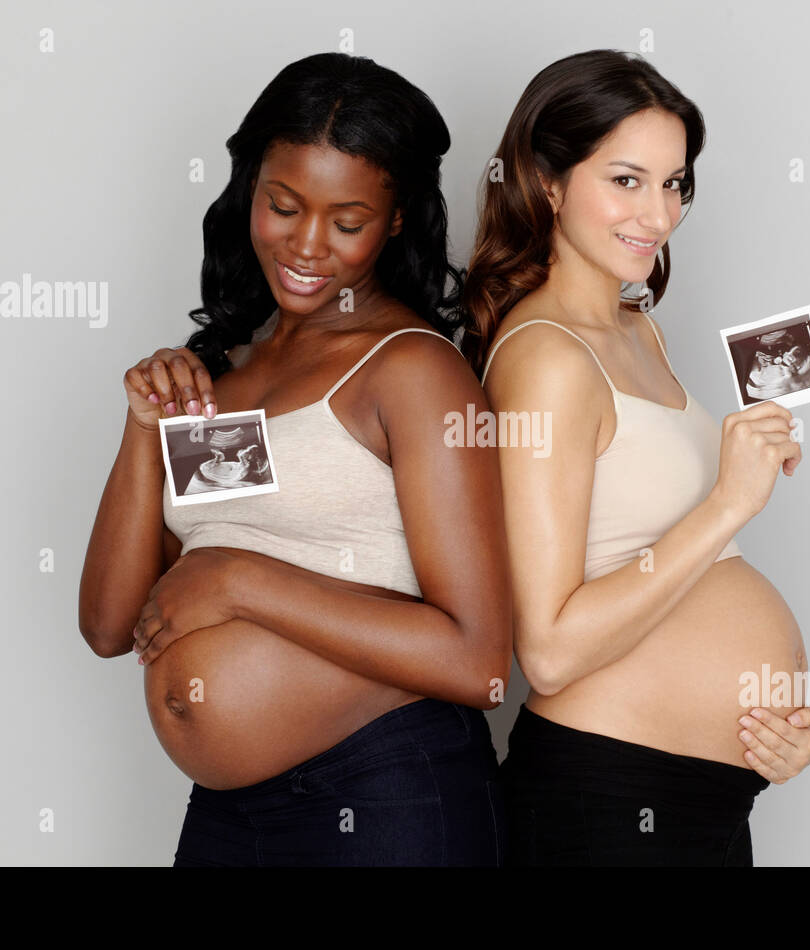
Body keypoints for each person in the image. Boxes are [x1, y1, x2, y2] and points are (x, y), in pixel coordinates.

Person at [78, 52, 511, 866]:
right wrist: (143, 429)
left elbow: (479, 659)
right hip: (229, 815)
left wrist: (239, 579)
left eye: (347, 222)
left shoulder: (411, 371)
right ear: (250, 189)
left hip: (386, 795)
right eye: (282, 206)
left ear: (396, 221)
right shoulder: (229, 369)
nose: (307, 245)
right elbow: (108, 625)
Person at [461, 49, 810, 866]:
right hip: (609, 801)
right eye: (626, 180)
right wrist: (728, 503)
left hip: (701, 801)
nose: (658, 217)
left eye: (675, 183)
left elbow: (688, 576)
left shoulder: (637, 330)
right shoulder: (547, 361)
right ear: (548, 181)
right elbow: (550, 650)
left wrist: (785, 727)